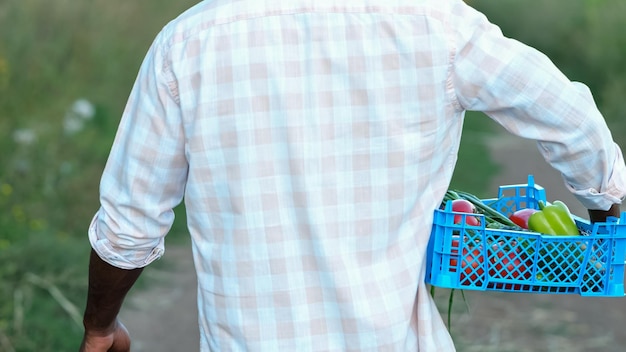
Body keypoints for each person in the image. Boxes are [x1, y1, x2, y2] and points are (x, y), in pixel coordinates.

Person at [80, 0, 626, 351]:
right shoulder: (438, 26)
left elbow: (129, 224)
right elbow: (572, 118)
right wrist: (606, 209)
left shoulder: (188, 41)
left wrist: (100, 327)